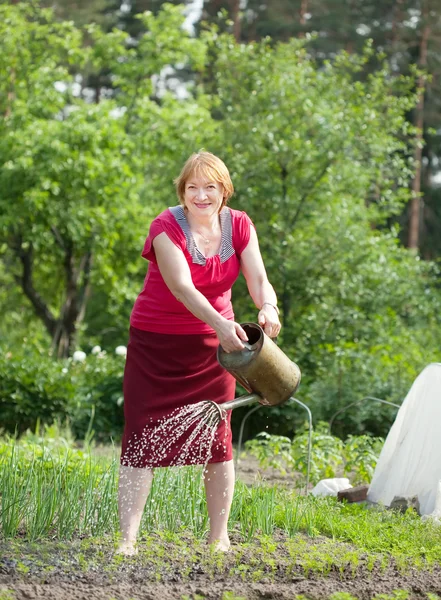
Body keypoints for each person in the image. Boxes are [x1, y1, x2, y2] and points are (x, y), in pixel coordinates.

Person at [117, 151, 281, 555]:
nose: (201, 195)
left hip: (214, 350)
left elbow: (258, 277)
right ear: (182, 191)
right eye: (192, 187)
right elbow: (182, 288)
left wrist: (268, 306)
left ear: (223, 190)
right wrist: (222, 325)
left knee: (217, 439)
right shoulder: (165, 226)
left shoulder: (239, 225)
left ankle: (218, 536)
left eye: (210, 187)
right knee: (141, 435)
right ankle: (127, 540)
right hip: (157, 344)